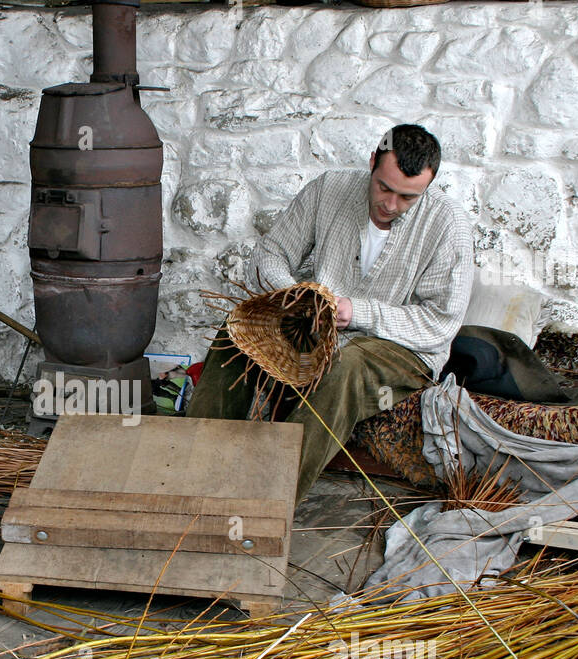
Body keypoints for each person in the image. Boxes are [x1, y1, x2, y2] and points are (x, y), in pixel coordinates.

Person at [186, 124, 474, 503]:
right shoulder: (329, 189)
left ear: (428, 185)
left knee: (348, 365)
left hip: (397, 347)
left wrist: (359, 313)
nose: (391, 204)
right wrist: (293, 294)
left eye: (407, 197)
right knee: (238, 331)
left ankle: (264, 503)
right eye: (384, 188)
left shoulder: (447, 223)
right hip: (317, 323)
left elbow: (440, 323)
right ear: (372, 163)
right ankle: (196, 470)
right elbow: (269, 255)